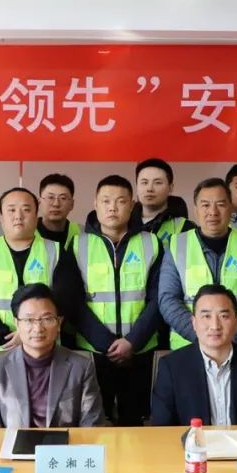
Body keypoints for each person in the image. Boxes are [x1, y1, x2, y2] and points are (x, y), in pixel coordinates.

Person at [0, 187, 86, 425]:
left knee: (45, 422)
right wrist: (4, 337)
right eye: (11, 210)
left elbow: (66, 299)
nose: (18, 216)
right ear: (1, 216)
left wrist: (27, 333)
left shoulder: (55, 251)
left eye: (26, 209)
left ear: (36, 214)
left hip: (46, 358)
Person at [72, 175, 163, 426]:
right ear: (95, 204)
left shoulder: (151, 243)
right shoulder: (78, 244)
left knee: (134, 422)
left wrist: (132, 342)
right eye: (106, 201)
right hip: (93, 352)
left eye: (121, 201)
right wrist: (107, 343)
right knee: (93, 422)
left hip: (140, 350)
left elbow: (159, 298)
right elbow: (73, 302)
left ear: (132, 205)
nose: (112, 207)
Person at [159, 178, 237, 350]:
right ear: (195, 209)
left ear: (231, 207)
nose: (213, 212)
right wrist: (204, 338)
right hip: (188, 348)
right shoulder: (177, 246)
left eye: (220, 204)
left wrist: (229, 338)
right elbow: (168, 299)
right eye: (205, 205)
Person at [0, 284, 105, 428]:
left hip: (66, 442)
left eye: (47, 319)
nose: (38, 328)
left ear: (59, 323)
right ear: (17, 323)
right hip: (12, 443)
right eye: (29, 320)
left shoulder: (81, 367)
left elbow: (92, 425)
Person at [150, 284, 237, 426]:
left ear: (236, 322)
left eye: (224, 316)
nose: (215, 326)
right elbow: (162, 428)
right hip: (192, 441)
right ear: (194, 323)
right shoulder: (172, 368)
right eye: (206, 316)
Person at [131, 158, 193, 244]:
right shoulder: (124, 225)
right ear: (137, 187)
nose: (149, 188)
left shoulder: (186, 228)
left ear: (170, 187)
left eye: (157, 183)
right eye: (144, 182)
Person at [37, 173, 81, 248]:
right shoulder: (27, 233)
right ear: (39, 203)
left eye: (63, 198)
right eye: (50, 197)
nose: (56, 204)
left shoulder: (83, 233)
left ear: (72, 204)